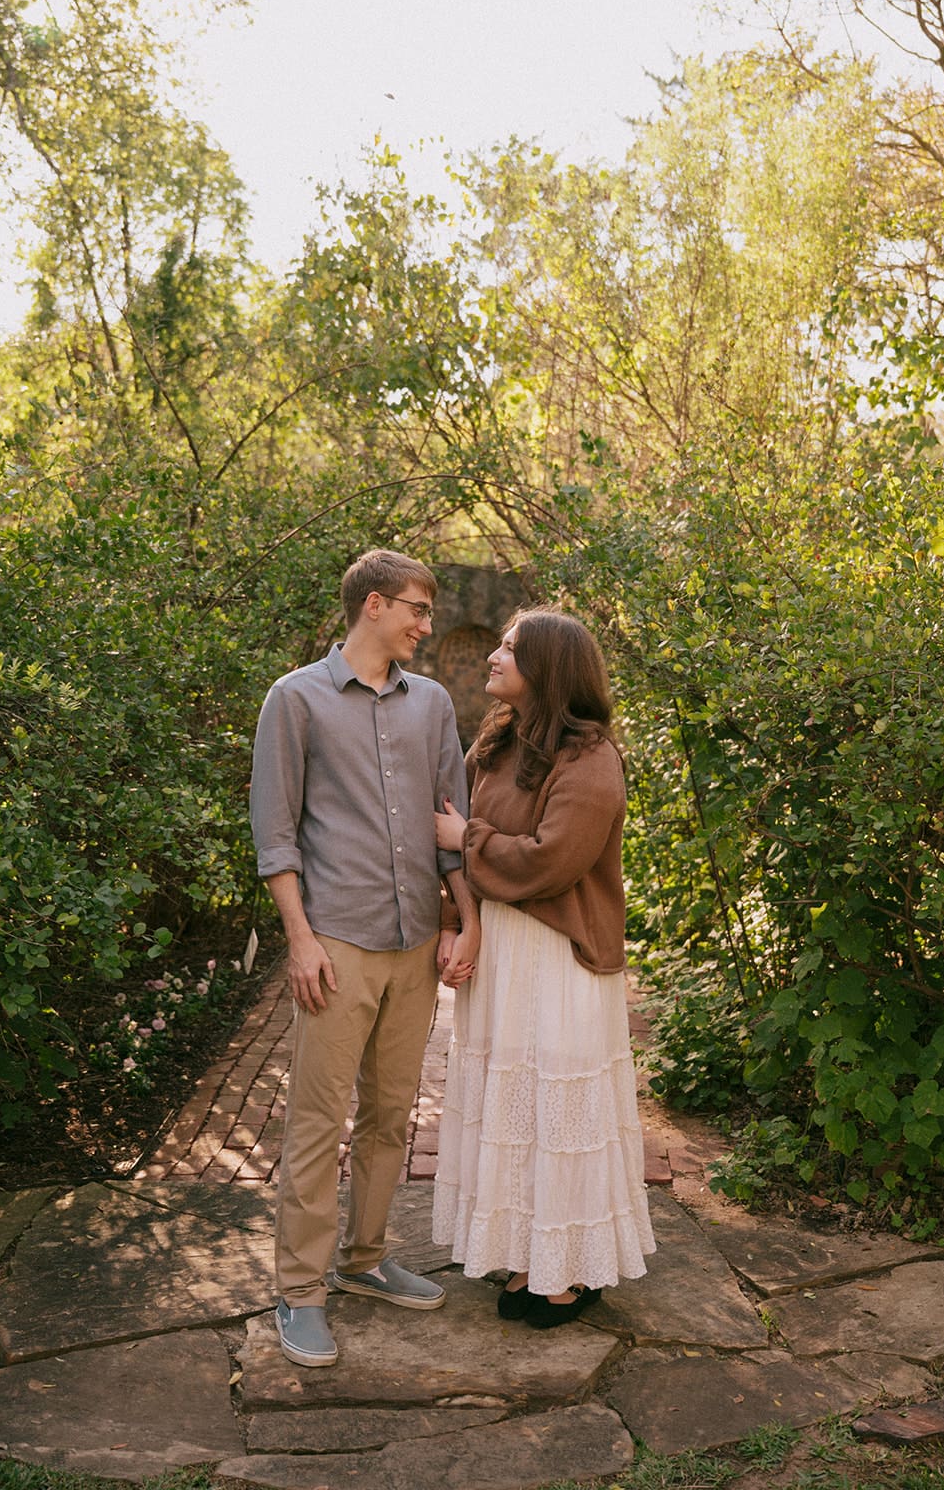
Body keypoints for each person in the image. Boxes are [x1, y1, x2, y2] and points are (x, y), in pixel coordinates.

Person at [250, 549, 478, 1367]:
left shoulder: (435, 705)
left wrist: (462, 919)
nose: (427, 624)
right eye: (417, 609)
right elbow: (275, 833)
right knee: (318, 1121)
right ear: (374, 605)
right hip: (337, 941)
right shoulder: (295, 699)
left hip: (416, 938)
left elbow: (451, 822)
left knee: (391, 1114)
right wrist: (300, 940)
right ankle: (300, 1292)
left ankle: (366, 1259)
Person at [432, 607, 655, 1328]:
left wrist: (466, 834)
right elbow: (460, 857)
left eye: (509, 647)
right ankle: (531, 1253)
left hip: (559, 962)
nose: (493, 656)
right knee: (514, 1108)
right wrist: (455, 924)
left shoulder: (591, 759)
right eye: (497, 643)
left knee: (558, 1111)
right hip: (500, 952)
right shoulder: (496, 746)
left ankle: (571, 1270)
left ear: (549, 669)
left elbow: (554, 860)